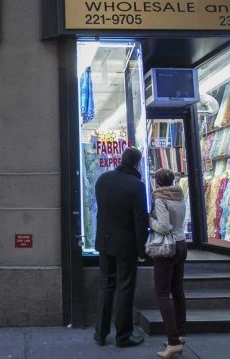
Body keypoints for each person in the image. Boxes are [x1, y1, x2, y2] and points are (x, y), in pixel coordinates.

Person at [93, 147, 149, 348]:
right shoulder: (136, 185)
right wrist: (142, 249)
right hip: (126, 245)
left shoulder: (103, 180)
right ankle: (123, 336)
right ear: (136, 163)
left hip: (104, 242)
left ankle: (100, 333)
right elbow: (140, 221)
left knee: (106, 285)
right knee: (125, 288)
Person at [151, 168, 188, 358]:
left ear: (157, 182)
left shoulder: (160, 198)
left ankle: (173, 342)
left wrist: (150, 221)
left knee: (162, 293)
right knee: (178, 291)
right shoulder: (179, 195)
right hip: (182, 244)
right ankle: (180, 334)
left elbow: (164, 227)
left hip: (167, 247)